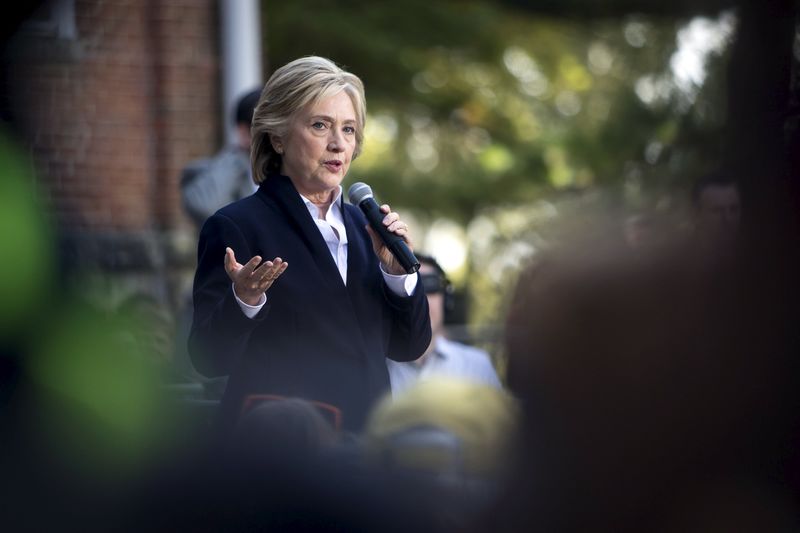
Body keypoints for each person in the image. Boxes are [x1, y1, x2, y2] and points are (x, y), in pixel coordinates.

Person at [188, 56, 431, 434]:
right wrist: (244, 301)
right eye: (321, 125)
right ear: (278, 136)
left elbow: (408, 347)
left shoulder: (367, 229)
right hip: (281, 452)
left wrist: (397, 275)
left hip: (364, 449)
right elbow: (207, 358)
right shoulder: (237, 226)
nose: (338, 144)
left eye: (349, 129)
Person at [386, 254, 500, 396]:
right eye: (408, 287)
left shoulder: (477, 366)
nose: (420, 299)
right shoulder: (374, 369)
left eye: (429, 286)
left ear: (447, 300)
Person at [181, 88, 261, 229]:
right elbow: (204, 206)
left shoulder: (291, 170)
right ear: (244, 131)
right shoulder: (204, 173)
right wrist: (236, 157)